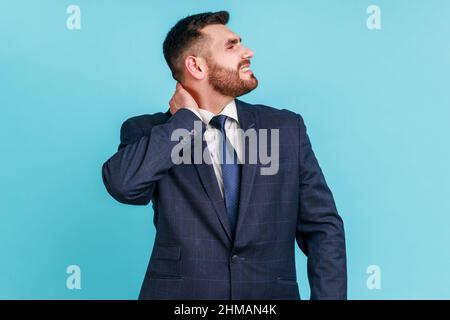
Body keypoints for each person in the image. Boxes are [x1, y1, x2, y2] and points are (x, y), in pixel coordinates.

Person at [101, 11, 347, 300]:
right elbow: (124, 186)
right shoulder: (150, 131)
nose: (248, 52)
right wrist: (185, 120)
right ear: (196, 65)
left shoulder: (286, 128)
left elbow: (323, 228)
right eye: (232, 46)